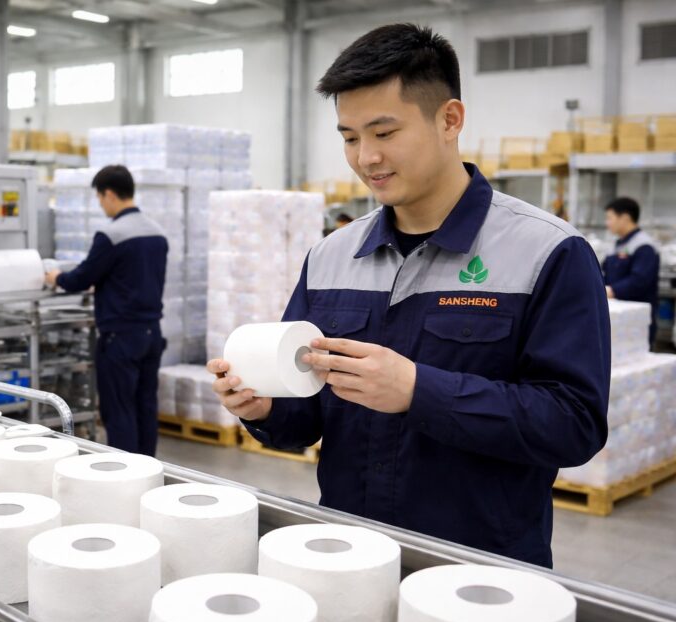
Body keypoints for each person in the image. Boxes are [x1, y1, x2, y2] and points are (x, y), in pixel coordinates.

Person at [207, 23, 609, 568]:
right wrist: (263, 409)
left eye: (384, 132)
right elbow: (305, 421)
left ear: (450, 119)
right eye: (349, 138)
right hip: (348, 553)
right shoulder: (331, 258)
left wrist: (419, 390)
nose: (366, 157)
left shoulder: (548, 253)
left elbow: (573, 425)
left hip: (480, 567)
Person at [45, 165, 168, 456]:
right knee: (145, 406)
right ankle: (148, 468)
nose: (101, 205)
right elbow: (133, 276)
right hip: (151, 334)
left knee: (119, 409)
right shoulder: (157, 233)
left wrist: (56, 278)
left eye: (100, 199)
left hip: (121, 338)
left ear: (110, 194)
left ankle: (124, 475)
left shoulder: (111, 234)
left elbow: (81, 277)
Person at [603, 197, 660, 345]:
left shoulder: (644, 246)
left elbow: (640, 280)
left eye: (610, 218)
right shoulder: (616, 245)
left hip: (636, 319)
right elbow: (603, 273)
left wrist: (611, 291)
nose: (607, 223)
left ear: (625, 217)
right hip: (615, 314)